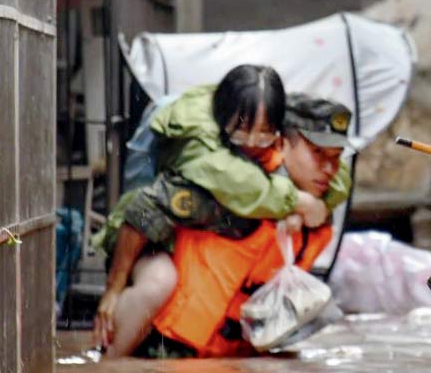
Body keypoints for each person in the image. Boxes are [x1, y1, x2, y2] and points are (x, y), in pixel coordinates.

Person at [92, 67, 350, 357]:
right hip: (144, 244)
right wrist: (112, 290)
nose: (252, 145)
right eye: (242, 133)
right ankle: (105, 361)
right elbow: (142, 211)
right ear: (284, 143)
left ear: (276, 134)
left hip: (214, 332)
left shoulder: (296, 185)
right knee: (158, 282)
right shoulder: (221, 176)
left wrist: (301, 207)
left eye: (263, 134)